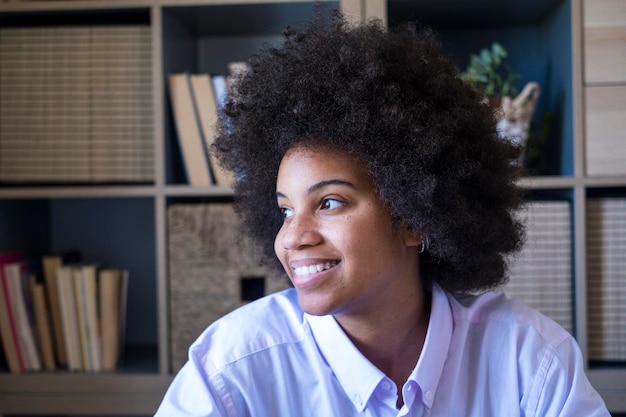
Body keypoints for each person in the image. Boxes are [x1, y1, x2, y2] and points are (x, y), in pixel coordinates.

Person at [155, 10, 610, 417]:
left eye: (329, 202)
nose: (292, 238)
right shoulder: (230, 370)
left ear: (413, 217)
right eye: (285, 209)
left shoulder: (530, 362)